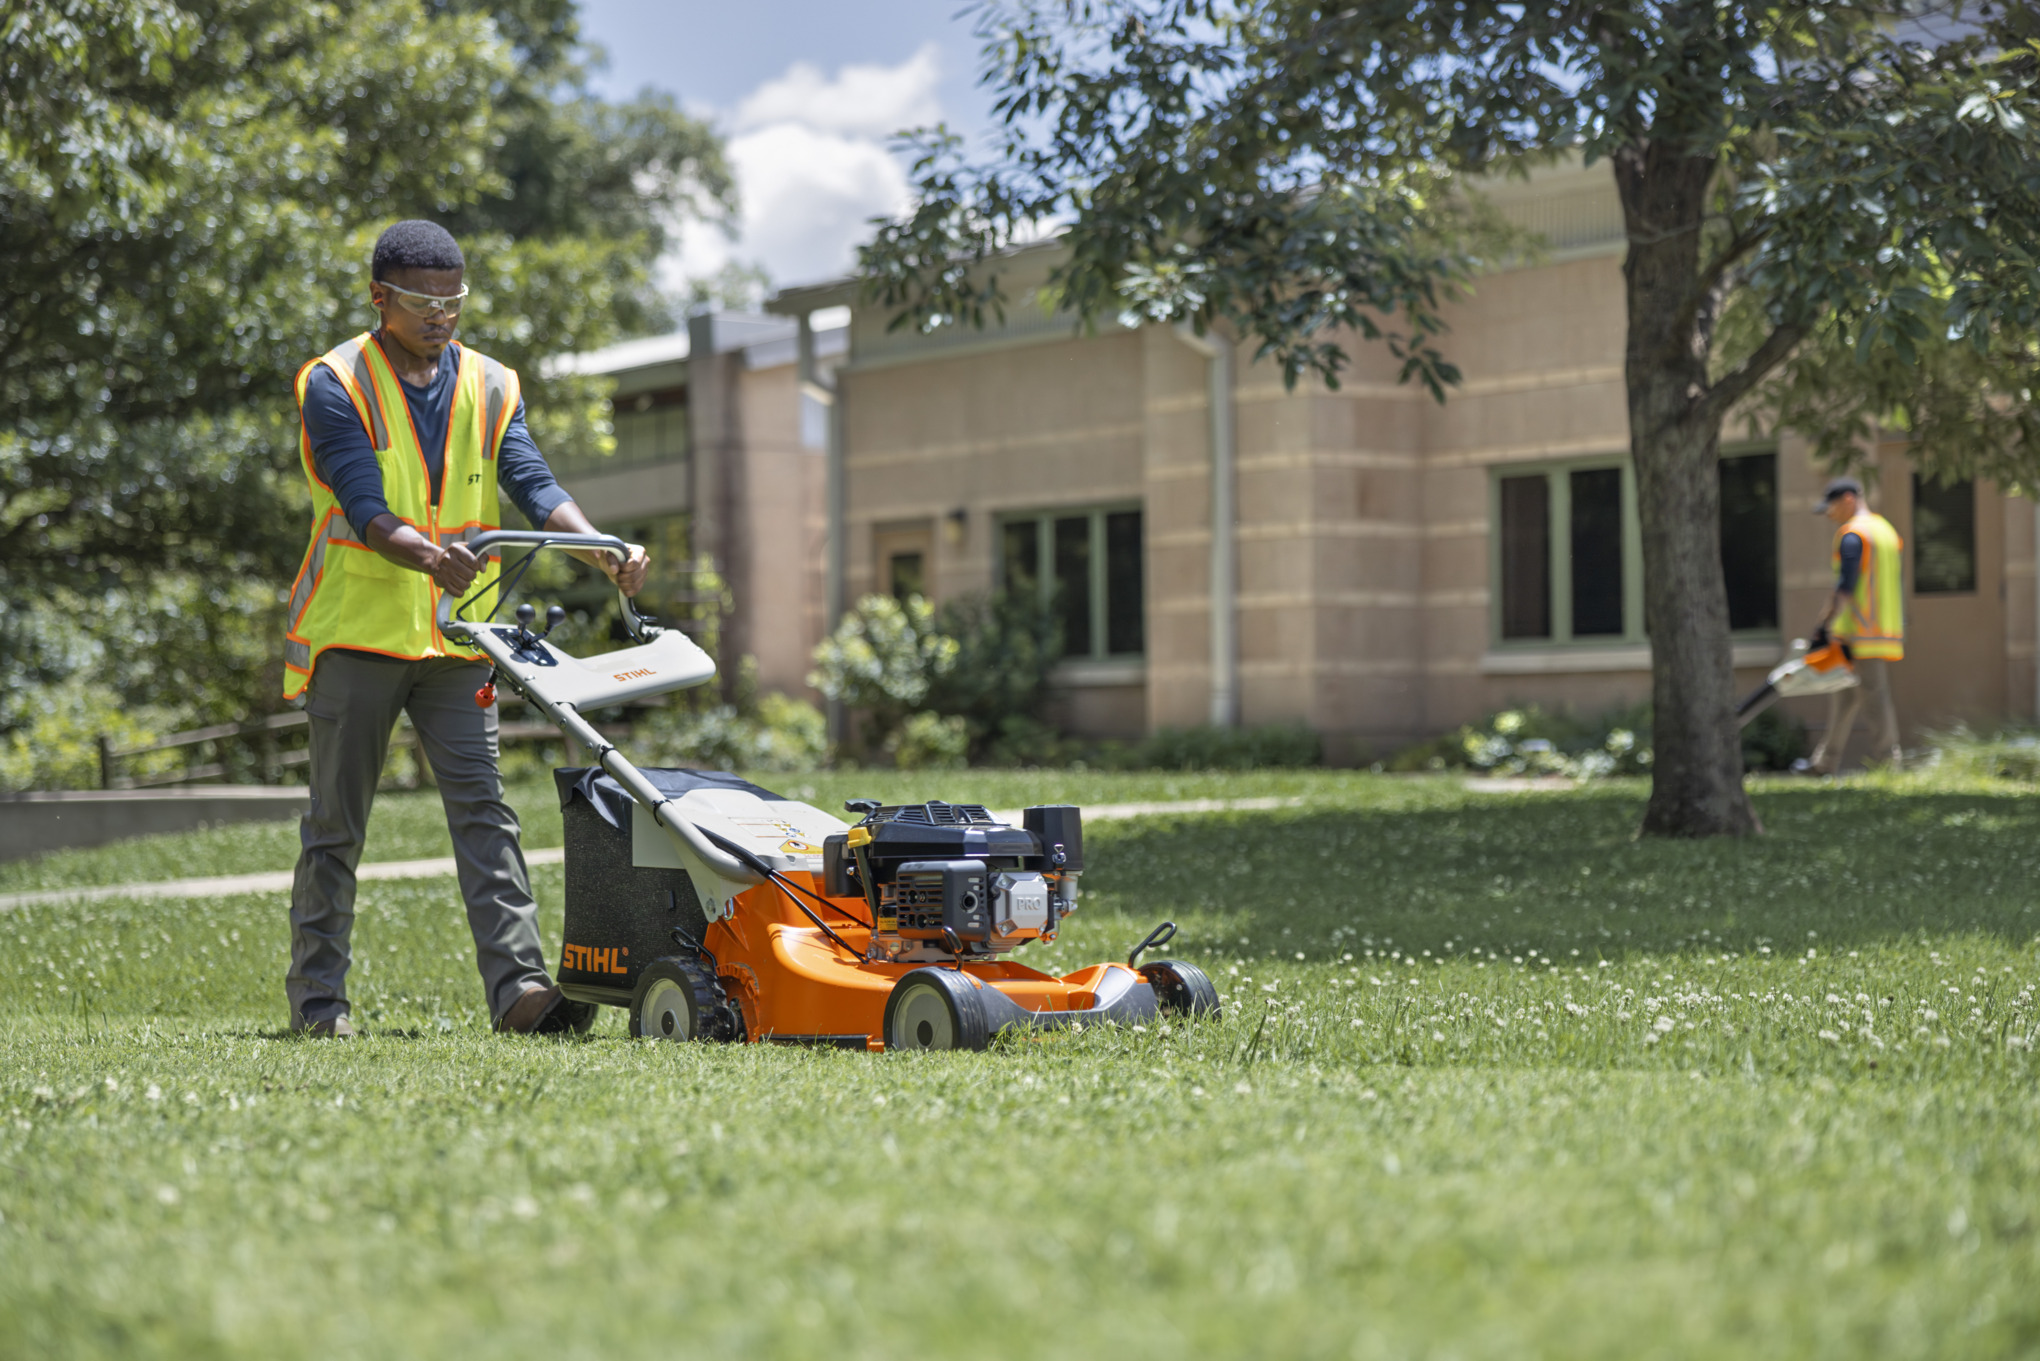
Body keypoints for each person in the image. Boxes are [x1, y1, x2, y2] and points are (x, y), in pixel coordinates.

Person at [282, 220, 649, 1037]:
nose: (442, 315)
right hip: (360, 634)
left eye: (454, 300)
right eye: (422, 301)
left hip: (457, 641)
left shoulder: (491, 383)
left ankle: (518, 992)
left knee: (486, 813)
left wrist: (601, 550)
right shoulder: (335, 380)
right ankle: (319, 1003)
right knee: (337, 826)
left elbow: (529, 478)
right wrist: (425, 556)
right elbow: (359, 498)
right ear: (380, 297)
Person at [1804, 475, 1904, 774]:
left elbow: (1845, 586)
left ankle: (1890, 764)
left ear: (1848, 499)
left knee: (1875, 697)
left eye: (1831, 507)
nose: (1829, 514)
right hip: (1879, 628)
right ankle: (1825, 762)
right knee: (1845, 695)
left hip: (1860, 631)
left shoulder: (1854, 534)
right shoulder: (1885, 530)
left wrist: (1823, 625)